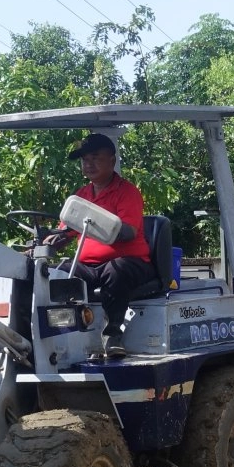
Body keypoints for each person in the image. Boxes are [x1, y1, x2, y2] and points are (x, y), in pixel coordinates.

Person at [62, 132, 151, 357]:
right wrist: (53, 239)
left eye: (94, 157)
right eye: (84, 160)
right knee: (56, 272)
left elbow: (129, 231)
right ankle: (60, 334)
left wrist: (99, 225)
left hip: (131, 263)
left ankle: (112, 334)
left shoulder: (126, 192)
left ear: (112, 160)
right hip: (89, 266)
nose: (88, 164)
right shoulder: (81, 196)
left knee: (115, 269)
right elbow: (66, 230)